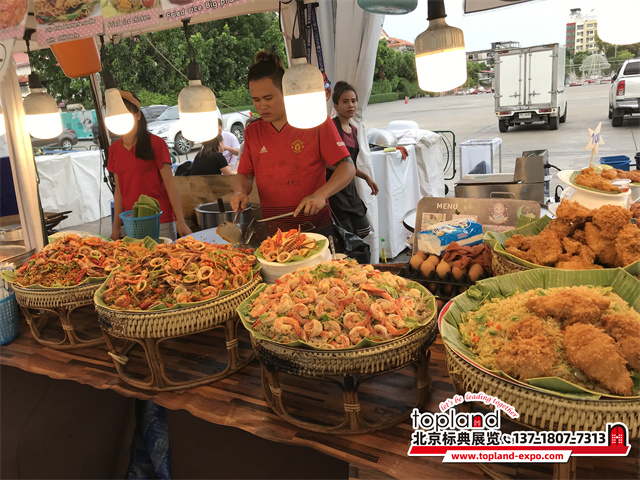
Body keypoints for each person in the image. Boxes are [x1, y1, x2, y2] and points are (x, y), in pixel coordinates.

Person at [231, 50, 356, 236]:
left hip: (316, 227)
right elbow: (245, 175)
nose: (262, 106)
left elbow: (347, 167)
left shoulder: (316, 122)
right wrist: (240, 191)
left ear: (286, 92)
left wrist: (320, 195)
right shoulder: (253, 131)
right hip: (275, 232)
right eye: (256, 100)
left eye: (268, 98)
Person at [108, 91, 191, 241]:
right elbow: (119, 191)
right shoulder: (114, 149)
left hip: (160, 220)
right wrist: (116, 228)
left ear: (138, 115)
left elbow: (170, 185)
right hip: (131, 221)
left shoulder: (156, 144)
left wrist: (181, 220)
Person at [328, 81, 379, 238]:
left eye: (353, 101)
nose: (350, 105)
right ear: (336, 106)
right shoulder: (331, 128)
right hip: (334, 191)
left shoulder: (354, 129)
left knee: (363, 231)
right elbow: (329, 163)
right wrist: (347, 170)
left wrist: (366, 177)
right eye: (345, 101)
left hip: (349, 189)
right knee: (346, 238)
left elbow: (349, 164)